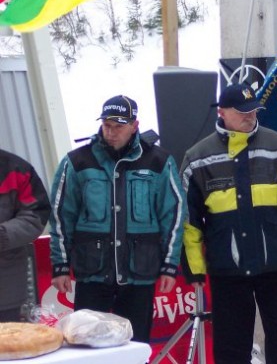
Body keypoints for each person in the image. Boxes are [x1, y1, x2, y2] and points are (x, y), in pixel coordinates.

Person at [180, 83, 277, 364]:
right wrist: (194, 269)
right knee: (231, 346)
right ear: (222, 112)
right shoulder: (197, 157)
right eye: (242, 111)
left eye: (253, 109)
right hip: (227, 269)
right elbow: (188, 222)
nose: (250, 115)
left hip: (275, 265)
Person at [49, 95, 186, 343]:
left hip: (139, 274)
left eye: (119, 126)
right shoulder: (77, 161)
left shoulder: (158, 161)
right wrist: (60, 266)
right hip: (92, 273)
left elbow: (174, 215)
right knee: (86, 345)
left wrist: (169, 265)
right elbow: (60, 216)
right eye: (106, 125)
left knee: (134, 346)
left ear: (135, 125)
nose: (111, 132)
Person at [0, 149, 51, 322]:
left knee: (9, 344)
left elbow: (36, 215)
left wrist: (3, 235)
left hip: (5, 288)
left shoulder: (16, 169)